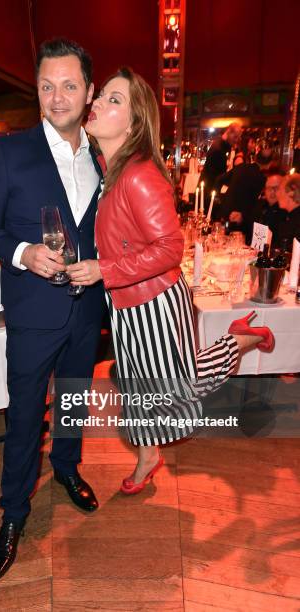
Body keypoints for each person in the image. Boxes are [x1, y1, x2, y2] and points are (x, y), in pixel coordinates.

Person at [67, 67, 274, 495]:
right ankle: (148, 457)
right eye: (102, 95)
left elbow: (169, 249)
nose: (98, 103)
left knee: (183, 384)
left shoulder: (139, 175)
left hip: (154, 301)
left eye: (113, 100)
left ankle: (241, 338)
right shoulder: (110, 169)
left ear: (135, 121)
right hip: (124, 303)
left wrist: (104, 269)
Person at [0, 38, 105, 579]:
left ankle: (67, 468)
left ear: (89, 91)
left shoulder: (103, 152)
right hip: (32, 310)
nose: (57, 96)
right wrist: (23, 253)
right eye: (47, 86)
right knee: (25, 415)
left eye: (69, 85)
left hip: (87, 308)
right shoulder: (9, 150)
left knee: (74, 397)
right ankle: (13, 514)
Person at [216, 157, 266, 243]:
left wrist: (222, 198)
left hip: (227, 211)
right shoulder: (261, 177)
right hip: (242, 219)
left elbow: (219, 180)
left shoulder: (240, 167)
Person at [200, 122, 242, 196]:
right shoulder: (219, 149)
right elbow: (217, 177)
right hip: (208, 192)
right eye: (235, 137)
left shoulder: (222, 146)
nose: (237, 140)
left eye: (238, 137)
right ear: (229, 132)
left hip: (208, 190)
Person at [255, 173, 286, 245]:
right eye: (269, 188)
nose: (272, 192)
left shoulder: (286, 211)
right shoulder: (259, 205)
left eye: (276, 188)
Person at [274, 173, 300, 247]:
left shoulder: (297, 223)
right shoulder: (287, 216)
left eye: (279, 190)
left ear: (291, 193)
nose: (276, 194)